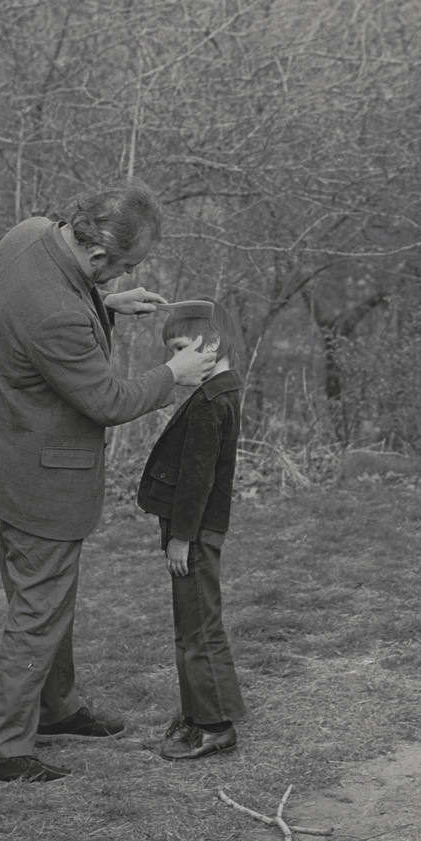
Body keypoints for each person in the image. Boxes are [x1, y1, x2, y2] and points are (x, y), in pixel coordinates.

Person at [0, 186, 216, 784]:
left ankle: (54, 710)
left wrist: (108, 303)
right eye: (125, 267)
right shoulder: (57, 315)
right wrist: (174, 374)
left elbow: (36, 311)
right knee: (39, 607)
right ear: (97, 254)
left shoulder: (29, 233)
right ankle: (2, 748)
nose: (130, 275)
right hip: (36, 475)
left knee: (41, 598)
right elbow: (106, 400)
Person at [135, 300, 248, 760]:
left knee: (197, 627)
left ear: (213, 343)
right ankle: (199, 712)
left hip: (195, 533)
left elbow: (198, 479)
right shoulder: (219, 391)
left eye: (181, 347)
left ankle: (215, 726)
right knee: (193, 625)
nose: (173, 360)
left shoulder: (209, 403)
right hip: (196, 530)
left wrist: (181, 538)